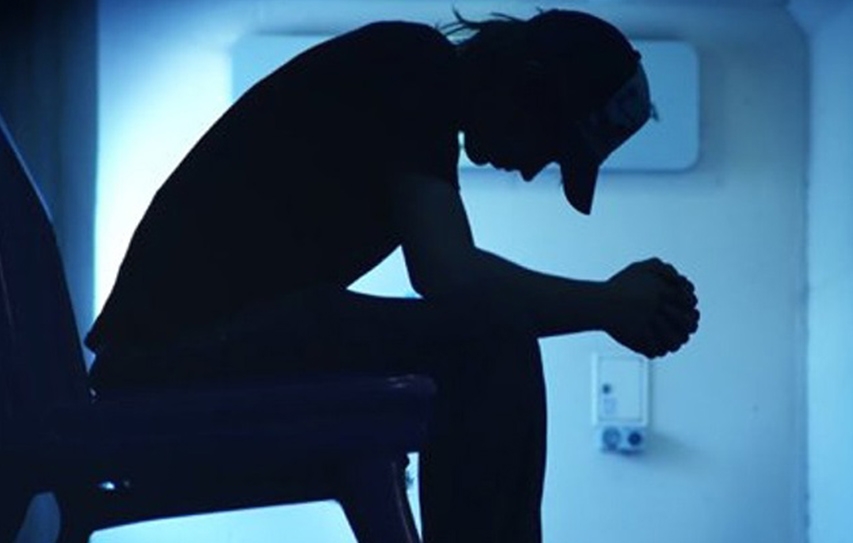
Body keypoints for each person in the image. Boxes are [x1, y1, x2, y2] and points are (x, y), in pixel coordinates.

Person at [86, 9, 699, 543]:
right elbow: (448, 274)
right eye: (553, 145)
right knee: (487, 337)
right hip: (158, 368)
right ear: (529, 89)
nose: (534, 169)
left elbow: (447, 278)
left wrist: (611, 305)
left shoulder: (411, 76)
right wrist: (611, 306)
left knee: (481, 332)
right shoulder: (413, 63)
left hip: (170, 360)